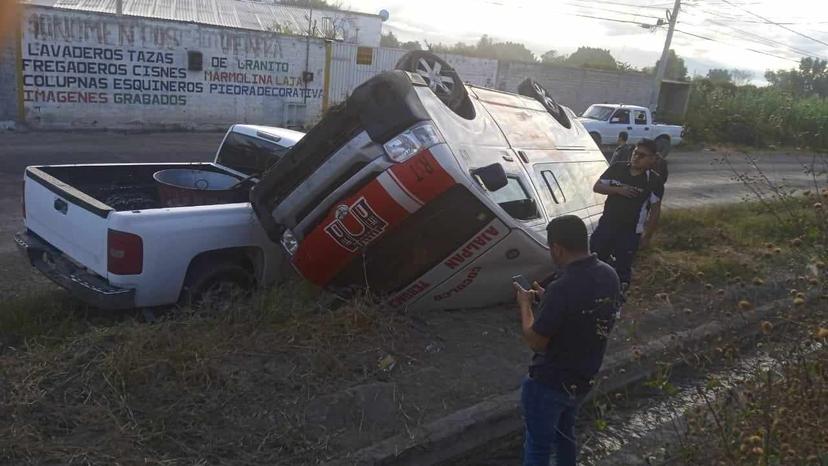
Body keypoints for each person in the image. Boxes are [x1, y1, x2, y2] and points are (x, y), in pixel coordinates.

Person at [513, 215, 621, 466]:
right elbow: (583, 311)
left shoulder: (563, 286)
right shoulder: (609, 275)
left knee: (538, 447)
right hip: (582, 379)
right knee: (565, 438)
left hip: (549, 382)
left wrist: (525, 306)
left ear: (558, 249)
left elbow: (536, 341)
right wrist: (547, 296)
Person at [590, 138, 664, 291]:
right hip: (606, 225)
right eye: (635, 153)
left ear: (651, 159)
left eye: (642, 155)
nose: (636, 157)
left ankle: (616, 301)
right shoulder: (617, 168)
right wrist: (617, 190)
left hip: (630, 232)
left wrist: (647, 236)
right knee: (594, 262)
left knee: (622, 269)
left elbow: (655, 210)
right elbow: (597, 187)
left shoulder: (654, 181)